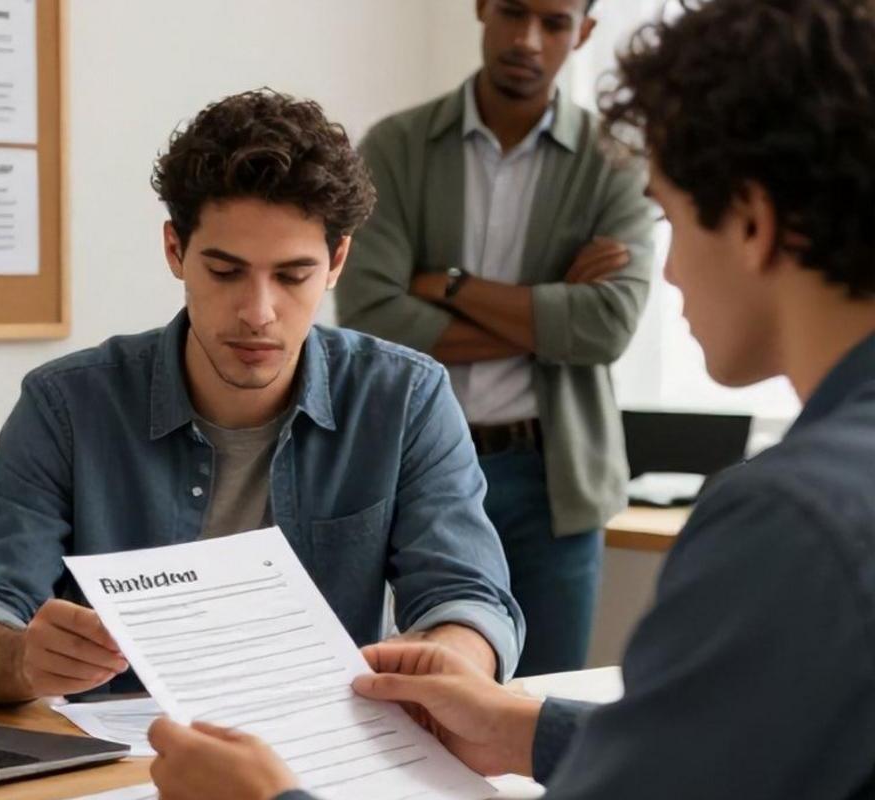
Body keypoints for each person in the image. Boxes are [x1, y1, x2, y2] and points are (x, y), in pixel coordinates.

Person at [147, 1, 875, 797]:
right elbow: (738, 751)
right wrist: (527, 731)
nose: (663, 274)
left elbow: (600, 325)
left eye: (667, 218)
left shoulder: (792, 522)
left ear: (752, 223)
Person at [0, 89, 526, 706]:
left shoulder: (406, 400)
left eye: (292, 276)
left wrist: (451, 656)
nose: (258, 313)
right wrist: (22, 660)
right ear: (175, 251)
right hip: (123, 768)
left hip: (326, 758)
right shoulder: (67, 406)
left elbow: (470, 600)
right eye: (225, 271)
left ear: (337, 261)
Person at [335, 0, 656, 676]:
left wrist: (445, 283)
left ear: (585, 32)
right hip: (412, 466)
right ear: (481, 8)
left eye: (555, 22)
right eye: (512, 11)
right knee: (409, 699)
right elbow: (369, 314)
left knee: (542, 700)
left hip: (553, 478)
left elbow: (605, 327)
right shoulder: (395, 147)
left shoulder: (613, 164)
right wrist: (548, 313)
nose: (527, 39)